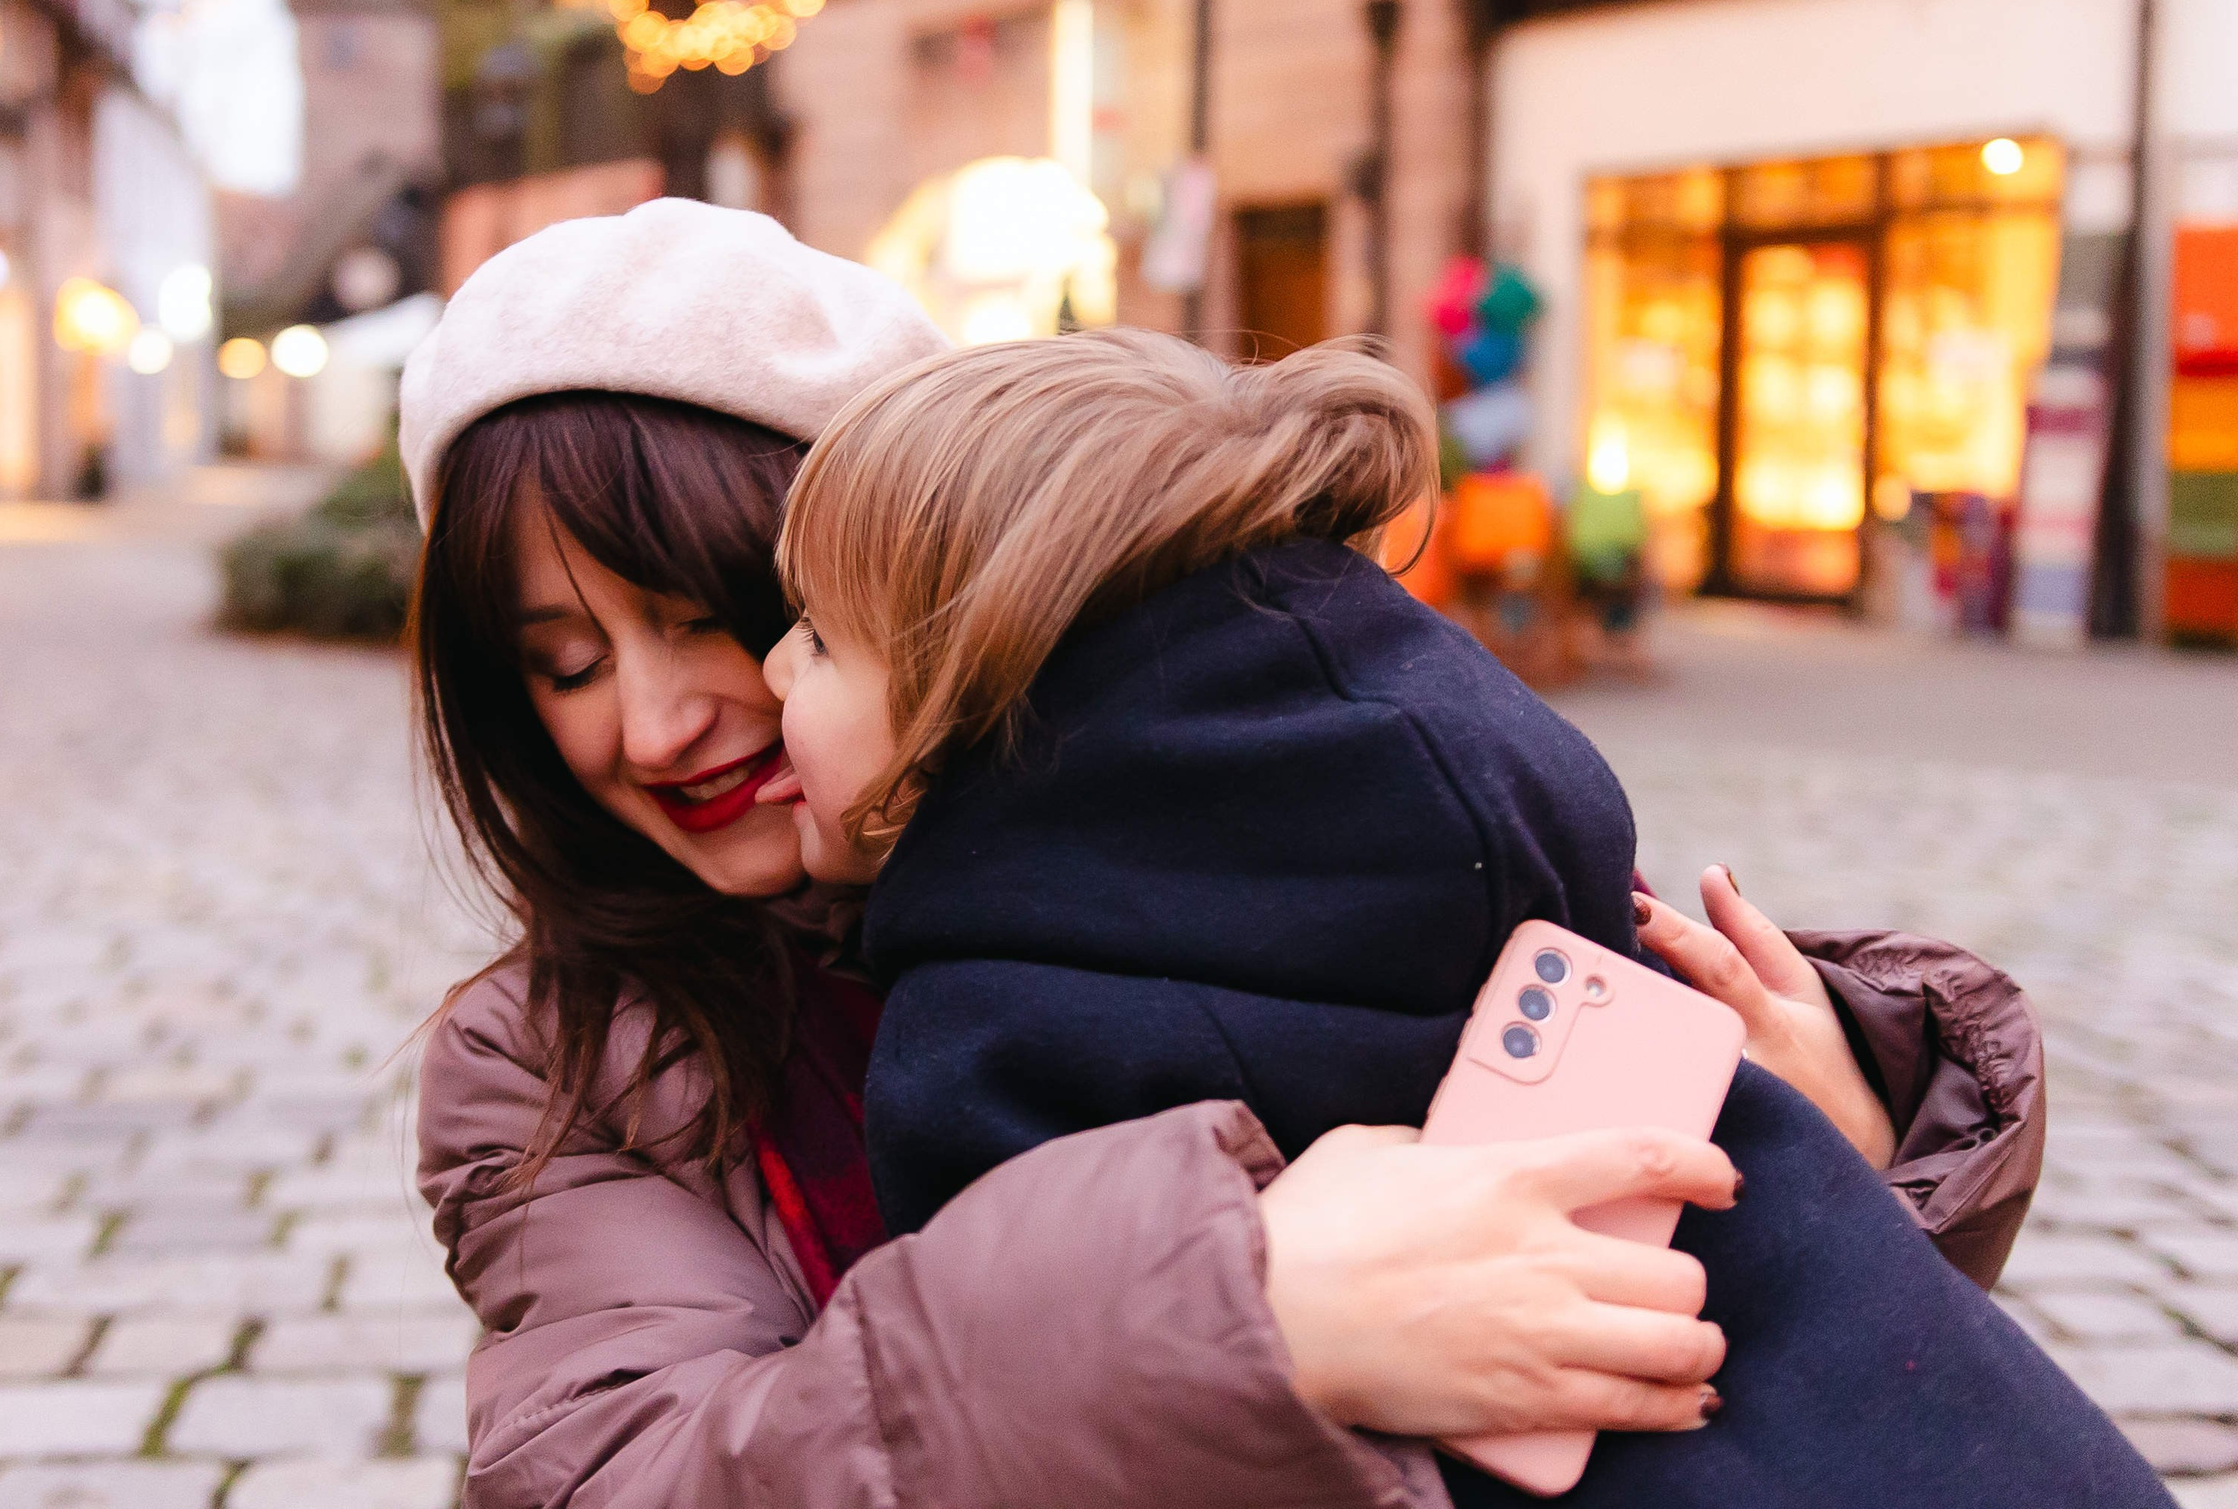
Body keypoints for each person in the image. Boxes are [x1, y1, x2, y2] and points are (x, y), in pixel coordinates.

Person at [404, 200, 2049, 1509]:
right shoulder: (557, 1063)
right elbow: (628, 1470)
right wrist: (1241, 1314)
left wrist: (1843, 1150)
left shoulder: (1280, 853)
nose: (661, 719)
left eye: (724, 616)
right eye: (559, 662)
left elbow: (1731, 1377)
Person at [757, 326, 2165, 1507]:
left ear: (969, 696)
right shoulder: (1470, 864)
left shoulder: (999, 1037)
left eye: (818, 635)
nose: (769, 668)